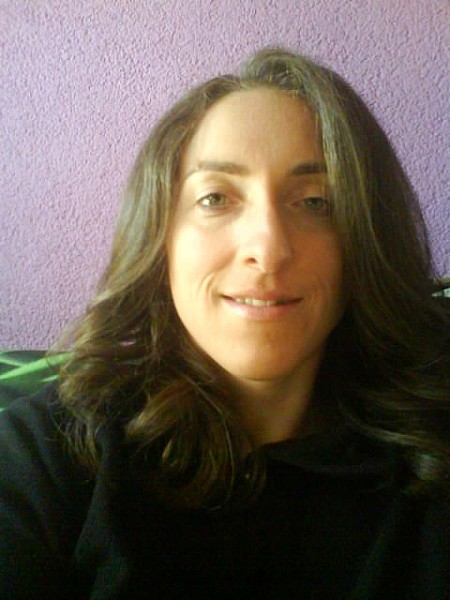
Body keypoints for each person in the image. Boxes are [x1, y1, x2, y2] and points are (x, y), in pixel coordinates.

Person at [0, 48, 448, 599]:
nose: (268, 247)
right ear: (161, 237)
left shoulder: (431, 451)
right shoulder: (46, 453)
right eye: (215, 198)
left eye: (316, 201)